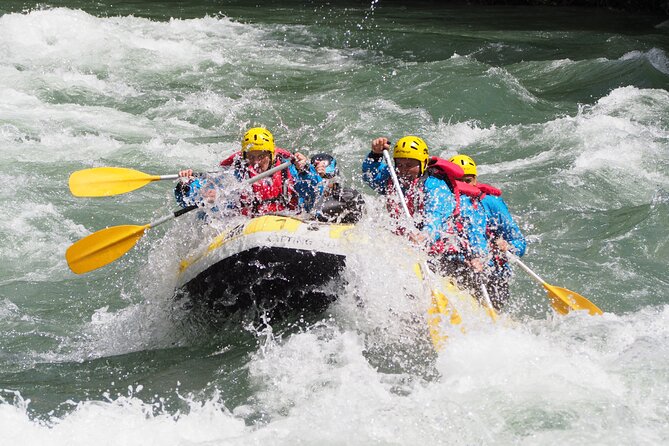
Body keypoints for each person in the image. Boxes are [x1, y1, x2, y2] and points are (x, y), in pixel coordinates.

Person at [362, 137, 490, 293]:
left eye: (409, 165)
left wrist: (424, 235)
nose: (403, 170)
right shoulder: (394, 178)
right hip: (404, 246)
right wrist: (375, 155)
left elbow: (436, 217)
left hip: (441, 255)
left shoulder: (435, 186)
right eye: (400, 164)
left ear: (422, 164)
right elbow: (370, 177)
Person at [175, 127, 322, 217]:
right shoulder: (236, 173)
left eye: (261, 156)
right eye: (251, 157)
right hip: (247, 227)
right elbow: (194, 197)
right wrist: (187, 185)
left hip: (287, 220)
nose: (256, 162)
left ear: (272, 155)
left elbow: (316, 191)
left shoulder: (289, 169)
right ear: (244, 156)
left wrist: (305, 170)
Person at [450, 154, 527, 310]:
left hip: (491, 275)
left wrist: (508, 246)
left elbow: (520, 242)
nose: (464, 186)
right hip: (460, 267)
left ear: (475, 181)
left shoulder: (491, 202)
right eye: (458, 181)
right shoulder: (444, 200)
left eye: (468, 181)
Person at [309, 153, 365, 224]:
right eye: (319, 177)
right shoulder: (308, 193)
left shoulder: (347, 196)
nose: (323, 181)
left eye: (326, 177)